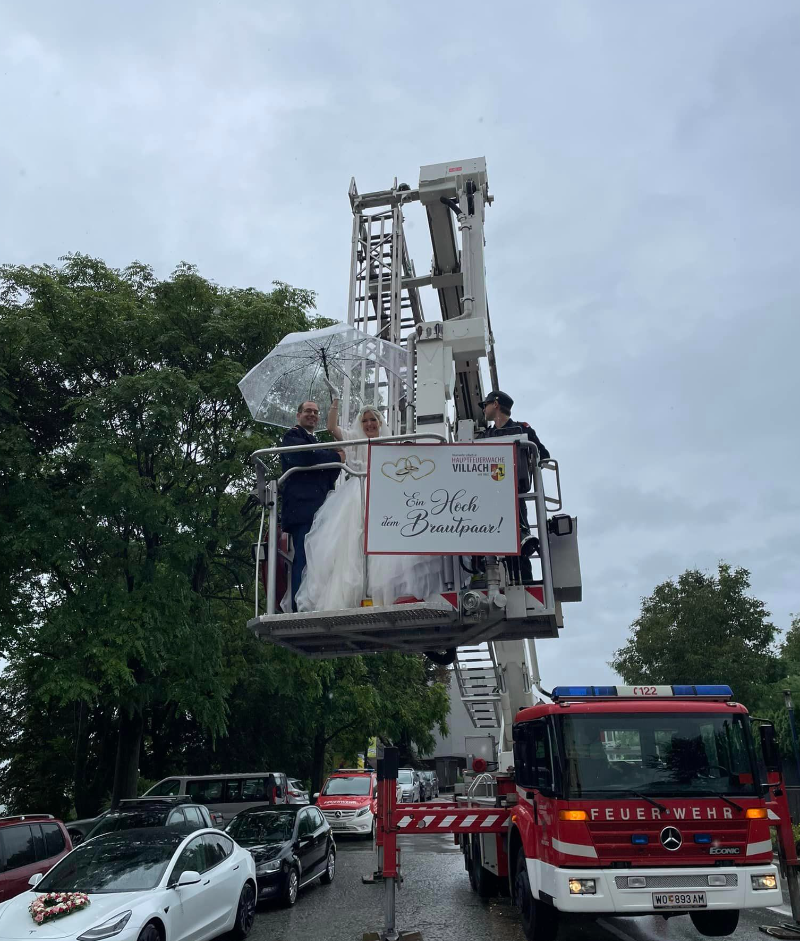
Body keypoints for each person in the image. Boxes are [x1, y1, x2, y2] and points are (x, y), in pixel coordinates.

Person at [295, 397, 451, 612]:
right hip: (356, 493)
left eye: (373, 420)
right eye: (365, 420)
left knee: (385, 543)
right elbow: (331, 427)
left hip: (384, 492)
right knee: (350, 543)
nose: (369, 424)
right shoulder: (353, 439)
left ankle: (384, 588)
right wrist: (335, 403)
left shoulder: (390, 443)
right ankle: (352, 591)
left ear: (379, 423)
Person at [478, 390, 550, 583]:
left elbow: (543, 454)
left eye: (485, 405)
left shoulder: (521, 430)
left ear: (495, 404)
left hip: (515, 495)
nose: (483, 409)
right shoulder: (486, 435)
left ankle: (524, 583)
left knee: (519, 545)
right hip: (492, 498)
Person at [280, 401, 344, 611]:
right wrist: (334, 456)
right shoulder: (292, 436)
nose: (313, 415)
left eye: (316, 412)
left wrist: (333, 460)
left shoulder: (313, 441)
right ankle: (301, 605)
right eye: (308, 411)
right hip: (302, 509)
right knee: (304, 556)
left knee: (316, 558)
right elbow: (304, 456)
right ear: (298, 415)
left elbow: (329, 474)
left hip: (318, 509)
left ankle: (314, 600)